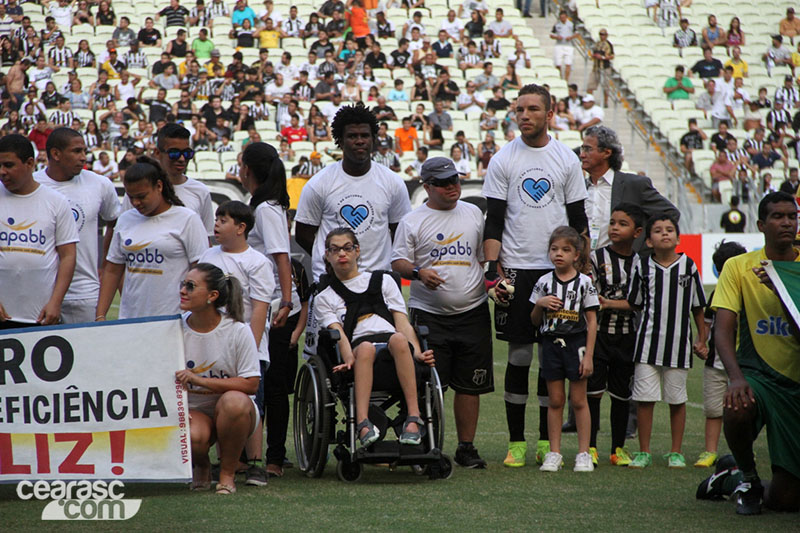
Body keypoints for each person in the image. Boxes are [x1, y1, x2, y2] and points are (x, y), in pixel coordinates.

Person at [482, 84, 588, 468]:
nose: (524, 115)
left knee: (553, 358)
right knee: (519, 355)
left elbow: (578, 221)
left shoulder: (566, 159)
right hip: (515, 270)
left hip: (557, 271)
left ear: (549, 112)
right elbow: (493, 219)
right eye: (519, 109)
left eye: (532, 109)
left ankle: (547, 440)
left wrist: (581, 267)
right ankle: (516, 443)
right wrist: (493, 274)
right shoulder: (503, 159)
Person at [697, 192, 800, 514]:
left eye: (792, 216)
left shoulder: (794, 273)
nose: (786, 223)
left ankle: (728, 477)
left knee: (785, 502)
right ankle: (750, 477)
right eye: (777, 217)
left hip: (795, 384)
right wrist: (736, 377)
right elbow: (723, 328)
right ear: (761, 224)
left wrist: (780, 289)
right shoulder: (739, 267)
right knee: (738, 404)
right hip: (759, 376)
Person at [392, 157, 493, 468]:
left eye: (456, 180)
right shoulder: (413, 220)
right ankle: (427, 445)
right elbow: (398, 262)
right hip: (429, 314)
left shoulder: (474, 213)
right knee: (431, 384)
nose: (453, 187)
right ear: (427, 187)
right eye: (445, 183)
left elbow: (480, 259)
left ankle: (466, 447)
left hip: (473, 311)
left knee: (469, 385)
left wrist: (493, 283)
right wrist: (420, 272)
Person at [316, 227, 435, 447]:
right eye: (335, 249)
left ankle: (413, 417)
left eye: (347, 248)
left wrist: (418, 353)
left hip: (392, 343)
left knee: (400, 339)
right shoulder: (325, 297)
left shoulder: (383, 281)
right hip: (359, 346)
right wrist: (348, 358)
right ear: (327, 255)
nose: (342, 253)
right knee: (366, 349)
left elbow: (402, 322)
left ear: (357, 251)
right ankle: (362, 421)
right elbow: (338, 333)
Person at [197, 201, 274, 486]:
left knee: (252, 403)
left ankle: (255, 463)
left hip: (248, 347)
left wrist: (250, 350)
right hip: (212, 345)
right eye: (216, 219)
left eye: (224, 220)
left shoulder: (257, 262)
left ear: (241, 228)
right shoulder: (208, 255)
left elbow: (260, 308)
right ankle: (224, 461)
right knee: (218, 400)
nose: (216, 224)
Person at [624, 214, 707, 469]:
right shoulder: (642, 265)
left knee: (676, 399)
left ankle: (676, 452)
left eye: (670, 230)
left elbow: (698, 307)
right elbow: (634, 302)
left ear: (678, 238)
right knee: (645, 399)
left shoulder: (689, 266)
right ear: (649, 240)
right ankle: (644, 452)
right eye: (658, 231)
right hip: (647, 345)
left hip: (679, 346)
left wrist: (702, 338)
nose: (665, 234)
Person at [295, 103, 412, 282]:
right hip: (332, 281)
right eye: (352, 136)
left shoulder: (393, 182)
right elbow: (303, 234)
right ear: (340, 141)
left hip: (378, 282)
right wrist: (332, 258)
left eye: (365, 135)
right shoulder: (318, 184)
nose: (359, 141)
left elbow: (400, 233)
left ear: (373, 139)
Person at [176, 263, 261, 495]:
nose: (183, 290)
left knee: (234, 402)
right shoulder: (174, 328)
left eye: (191, 286)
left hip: (233, 409)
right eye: (183, 284)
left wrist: (201, 381)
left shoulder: (237, 330)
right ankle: (202, 464)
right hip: (195, 410)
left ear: (212, 296)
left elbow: (251, 383)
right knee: (194, 436)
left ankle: (227, 473)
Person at [96, 157, 208, 320]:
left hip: (175, 320)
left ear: (159, 186)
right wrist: (100, 315)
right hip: (131, 320)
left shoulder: (187, 219)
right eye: (131, 197)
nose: (136, 202)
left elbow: (201, 272)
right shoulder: (125, 220)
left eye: (141, 196)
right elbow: (113, 270)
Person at [33, 128, 121, 323]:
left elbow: (116, 224)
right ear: (55, 154)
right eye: (76, 151)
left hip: (85, 293)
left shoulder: (100, 184)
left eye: (84, 152)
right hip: (40, 293)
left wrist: (106, 263)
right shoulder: (33, 185)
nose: (83, 158)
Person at [531, 226, 598, 473]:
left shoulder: (585, 283)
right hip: (550, 345)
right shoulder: (543, 283)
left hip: (577, 345)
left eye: (565, 250)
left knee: (579, 400)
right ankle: (554, 453)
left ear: (577, 255)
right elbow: (534, 321)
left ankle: (583, 453)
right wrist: (540, 304)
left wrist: (589, 355)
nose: (559, 254)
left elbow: (592, 322)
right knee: (555, 400)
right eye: (554, 249)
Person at [587, 203, 644, 466]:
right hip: (596, 335)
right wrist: (614, 303)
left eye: (622, 223)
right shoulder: (596, 258)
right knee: (593, 392)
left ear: (637, 232)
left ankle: (618, 448)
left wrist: (609, 303)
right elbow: (591, 298)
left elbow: (638, 302)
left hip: (626, 336)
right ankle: (589, 447)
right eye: (612, 222)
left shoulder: (641, 263)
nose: (615, 228)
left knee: (621, 394)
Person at [0, 133, 78, 329]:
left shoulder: (55, 202)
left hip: (40, 316)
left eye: (8, 165)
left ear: (30, 163)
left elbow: (68, 256)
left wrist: (56, 302)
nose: (2, 172)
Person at [581, 126, 680, 251]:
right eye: (582, 149)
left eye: (588, 149)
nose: (582, 155)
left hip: (626, 266)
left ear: (607, 153)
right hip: (587, 266)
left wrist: (640, 247)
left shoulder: (634, 185)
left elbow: (670, 213)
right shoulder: (579, 188)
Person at [695, 241, 747, 468]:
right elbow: (707, 324)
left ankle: (744, 453)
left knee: (744, 411)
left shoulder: (751, 294)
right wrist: (701, 343)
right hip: (714, 364)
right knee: (714, 409)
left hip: (744, 365)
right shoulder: (716, 295)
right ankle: (710, 451)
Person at [238, 142, 293, 330]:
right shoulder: (266, 206)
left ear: (246, 170)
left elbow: (281, 257)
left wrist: (286, 302)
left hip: (276, 305)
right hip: (269, 299)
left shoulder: (266, 209)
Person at [550, 11, 577, 80]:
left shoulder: (571, 24)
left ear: (566, 17)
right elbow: (551, 34)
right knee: (558, 63)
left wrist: (571, 37)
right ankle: (559, 78)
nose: (562, 19)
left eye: (564, 17)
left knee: (568, 63)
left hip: (569, 45)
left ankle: (566, 80)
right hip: (559, 45)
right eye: (561, 17)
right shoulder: (557, 24)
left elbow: (577, 33)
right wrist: (557, 37)